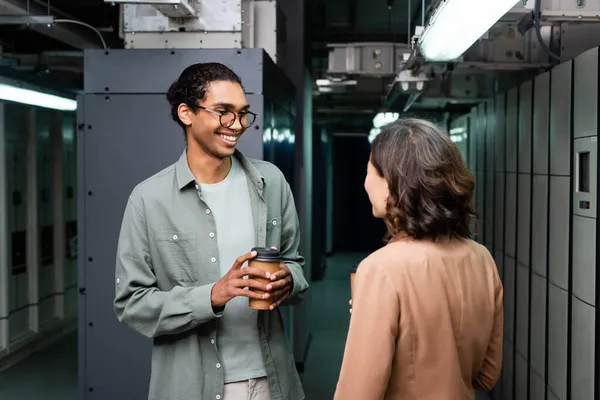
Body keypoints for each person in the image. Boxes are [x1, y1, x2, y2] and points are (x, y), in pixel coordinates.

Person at [113, 62, 309, 400]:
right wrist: (212, 296)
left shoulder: (271, 182)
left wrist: (289, 281)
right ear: (187, 114)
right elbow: (132, 304)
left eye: (243, 114)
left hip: (270, 380)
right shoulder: (149, 198)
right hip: (192, 387)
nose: (236, 125)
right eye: (224, 112)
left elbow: (295, 264)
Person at [334, 119, 503, 399]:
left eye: (369, 171)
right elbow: (487, 375)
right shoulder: (481, 258)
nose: (365, 182)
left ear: (390, 185)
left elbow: (358, 392)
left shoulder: (381, 268)